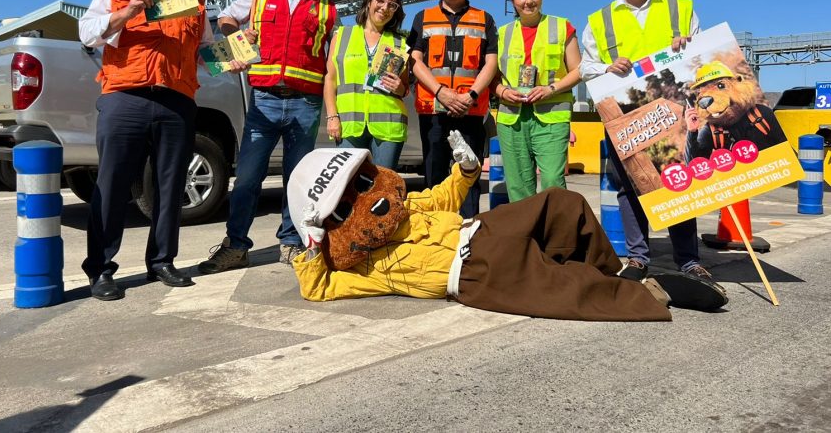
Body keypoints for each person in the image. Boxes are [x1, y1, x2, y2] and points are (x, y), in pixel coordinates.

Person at [285, 132, 728, 320]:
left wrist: (463, 170)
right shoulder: (364, 267)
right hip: (473, 273)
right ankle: (652, 294)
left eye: (363, 182)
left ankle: (612, 268)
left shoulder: (407, 205)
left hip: (481, 228)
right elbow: (320, 287)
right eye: (344, 207)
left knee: (562, 203)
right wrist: (311, 246)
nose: (371, 198)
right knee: (556, 285)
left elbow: (443, 196)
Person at [78, 0, 214, 300]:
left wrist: (236, 52)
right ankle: (101, 270)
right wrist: (127, 11)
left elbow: (204, 50)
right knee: (114, 184)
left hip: (176, 101)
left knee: (171, 185)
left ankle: (161, 262)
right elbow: (87, 34)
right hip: (125, 96)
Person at [198, 0, 337, 273]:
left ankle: (290, 243)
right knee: (247, 177)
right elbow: (226, 19)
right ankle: (236, 245)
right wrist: (237, 38)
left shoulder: (327, 7)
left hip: (306, 104)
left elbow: (333, 61)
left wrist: (332, 110)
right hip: (264, 103)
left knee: (297, 179)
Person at [579, 0, 710, 282]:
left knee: (678, 181)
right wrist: (605, 68)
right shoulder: (599, 20)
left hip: (673, 113)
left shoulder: (680, 8)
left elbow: (703, 55)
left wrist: (689, 45)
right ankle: (638, 257)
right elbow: (585, 68)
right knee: (630, 186)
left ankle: (688, 259)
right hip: (627, 118)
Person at [407, 0, 499, 218]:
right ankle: (433, 230)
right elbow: (415, 61)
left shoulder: (485, 19)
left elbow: (490, 64)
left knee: (468, 176)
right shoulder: (422, 17)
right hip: (433, 111)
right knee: (434, 177)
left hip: (470, 111)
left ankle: (468, 231)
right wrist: (442, 93)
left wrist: (470, 95)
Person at [491, 0, 581, 199]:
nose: (528, 1)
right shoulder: (501, 34)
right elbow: (490, 77)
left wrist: (550, 89)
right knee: (518, 186)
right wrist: (502, 91)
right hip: (512, 118)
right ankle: (526, 234)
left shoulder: (562, 27)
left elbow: (579, 70)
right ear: (512, 0)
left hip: (551, 116)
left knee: (552, 181)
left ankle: (556, 233)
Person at [323, 0, 409, 170]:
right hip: (349, 125)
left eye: (392, 5)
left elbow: (405, 88)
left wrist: (400, 88)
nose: (385, 8)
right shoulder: (342, 35)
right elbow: (330, 78)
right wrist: (332, 117)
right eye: (380, 0)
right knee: (350, 188)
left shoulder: (399, 42)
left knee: (382, 190)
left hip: (388, 126)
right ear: (369, 1)